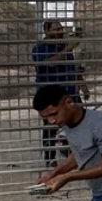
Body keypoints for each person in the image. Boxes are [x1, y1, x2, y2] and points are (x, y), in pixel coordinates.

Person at [33, 21, 83, 167]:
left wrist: (83, 86)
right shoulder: (39, 48)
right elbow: (49, 63)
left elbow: (74, 68)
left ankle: (77, 156)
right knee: (51, 127)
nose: (60, 31)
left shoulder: (64, 47)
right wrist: (69, 47)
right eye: (56, 29)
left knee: (78, 124)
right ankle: (50, 159)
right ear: (46, 32)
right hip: (51, 94)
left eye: (61, 28)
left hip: (70, 93)